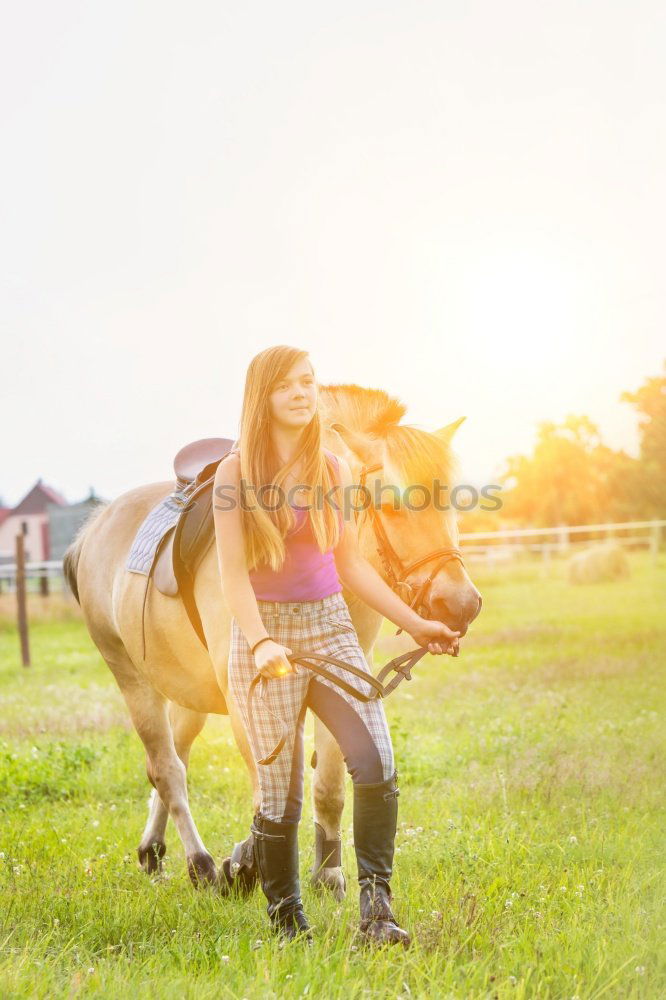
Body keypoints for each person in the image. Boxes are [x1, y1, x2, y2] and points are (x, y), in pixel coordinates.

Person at [213, 345, 460, 945]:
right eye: (287, 386)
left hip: (329, 627)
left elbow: (350, 564)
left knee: (375, 761)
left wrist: (416, 621)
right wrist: (262, 641)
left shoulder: (335, 469)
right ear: (262, 397)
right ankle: (287, 920)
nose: (301, 393)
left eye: (308, 382)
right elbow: (232, 576)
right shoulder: (234, 474)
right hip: (266, 636)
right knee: (280, 791)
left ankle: (377, 913)